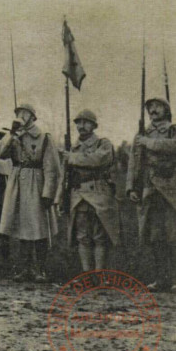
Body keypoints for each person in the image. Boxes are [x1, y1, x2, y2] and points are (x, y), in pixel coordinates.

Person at [0, 104, 60, 282]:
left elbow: (51, 168)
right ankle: (25, 268)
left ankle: (41, 269)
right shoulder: (13, 135)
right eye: (18, 113)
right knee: (22, 227)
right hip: (17, 182)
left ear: (33, 117)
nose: (21, 116)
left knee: (38, 227)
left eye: (25, 114)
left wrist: (48, 192)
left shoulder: (43, 138)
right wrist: (11, 135)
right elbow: (0, 154)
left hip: (36, 183)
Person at [126, 97, 176, 292]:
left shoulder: (172, 129)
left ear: (166, 109)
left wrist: (149, 143)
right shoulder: (142, 134)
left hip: (171, 190)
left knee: (173, 236)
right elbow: (134, 162)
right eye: (150, 107)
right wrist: (131, 187)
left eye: (158, 106)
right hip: (150, 190)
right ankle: (161, 278)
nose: (153, 110)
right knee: (155, 237)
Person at [61, 110, 120, 271]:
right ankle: (87, 275)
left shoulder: (103, 143)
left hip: (99, 195)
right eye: (78, 123)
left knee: (100, 237)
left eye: (86, 122)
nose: (81, 126)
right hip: (78, 196)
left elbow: (100, 159)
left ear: (94, 125)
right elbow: (65, 175)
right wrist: (61, 197)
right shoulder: (72, 147)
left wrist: (72, 158)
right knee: (82, 237)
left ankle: (100, 275)